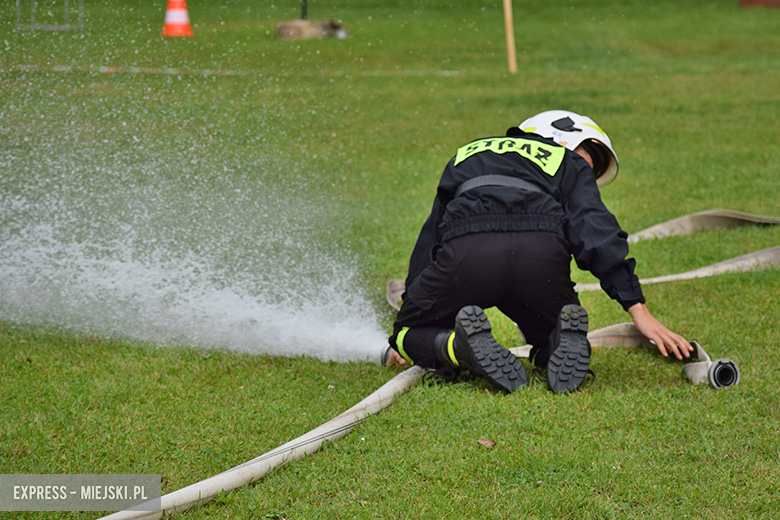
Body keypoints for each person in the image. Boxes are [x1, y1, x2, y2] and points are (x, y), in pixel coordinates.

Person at [385, 110, 692, 394]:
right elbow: (596, 233)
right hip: (539, 259)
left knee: (407, 331)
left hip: (469, 254)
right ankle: (558, 344)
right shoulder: (567, 162)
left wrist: (416, 301)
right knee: (556, 330)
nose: (588, 169)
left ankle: (457, 348)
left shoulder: (466, 154)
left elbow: (431, 237)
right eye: (589, 157)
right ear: (561, 138)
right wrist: (638, 310)